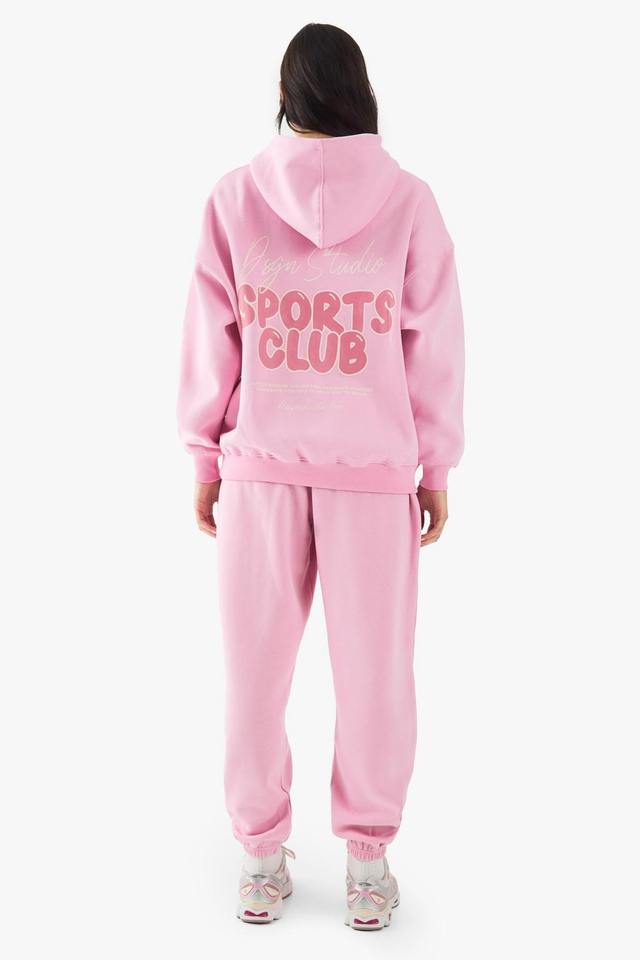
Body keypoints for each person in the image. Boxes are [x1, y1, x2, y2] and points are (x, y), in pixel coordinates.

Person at [177, 22, 465, 930]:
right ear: (360, 92)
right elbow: (436, 344)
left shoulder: (233, 198)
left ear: (284, 95)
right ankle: (368, 869)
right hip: (372, 476)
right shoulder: (409, 202)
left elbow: (210, 335)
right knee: (376, 673)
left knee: (253, 672)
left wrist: (203, 453)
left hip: (259, 470)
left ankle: (261, 860)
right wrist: (435, 464)